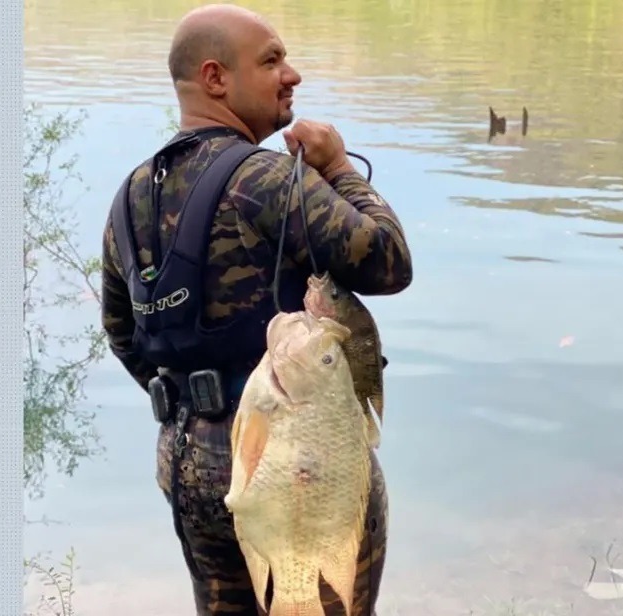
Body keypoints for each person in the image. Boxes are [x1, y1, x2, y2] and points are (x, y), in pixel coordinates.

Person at [99, 4, 413, 615]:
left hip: (189, 452)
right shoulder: (266, 178)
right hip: (301, 453)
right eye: (271, 60)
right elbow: (388, 263)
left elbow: (123, 333)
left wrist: (207, 409)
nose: (291, 74)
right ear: (215, 78)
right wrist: (339, 168)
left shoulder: (131, 193)